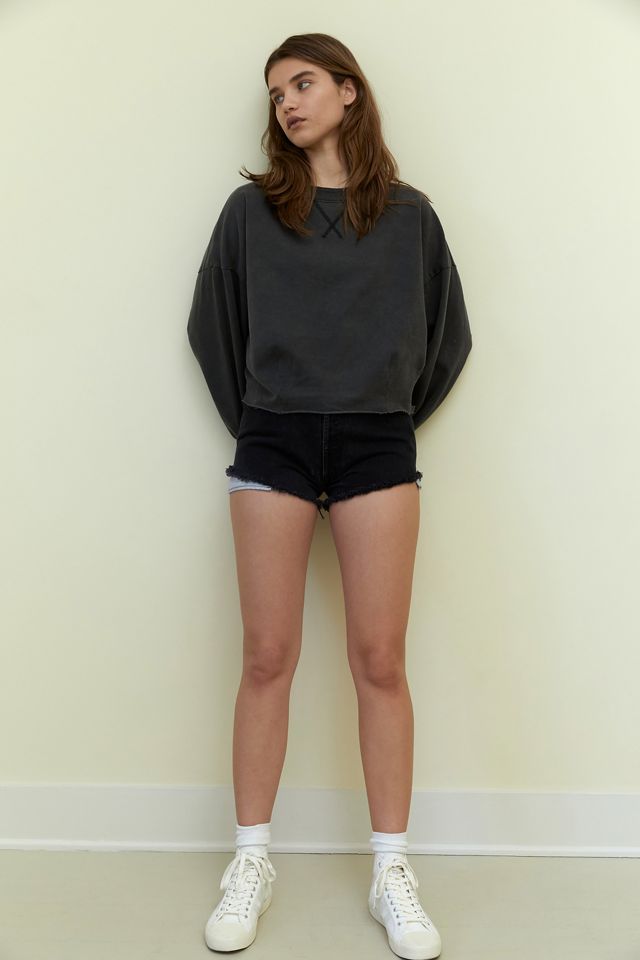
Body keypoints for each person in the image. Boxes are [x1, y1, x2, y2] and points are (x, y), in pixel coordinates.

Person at [187, 32, 472, 960]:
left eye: (302, 84)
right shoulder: (250, 214)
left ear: (349, 91)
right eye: (276, 93)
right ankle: (251, 860)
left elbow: (448, 339)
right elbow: (212, 327)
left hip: (375, 442)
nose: (287, 104)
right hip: (271, 436)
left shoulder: (412, 217)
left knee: (380, 660)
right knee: (266, 655)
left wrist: (383, 408)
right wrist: (261, 415)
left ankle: (392, 869)